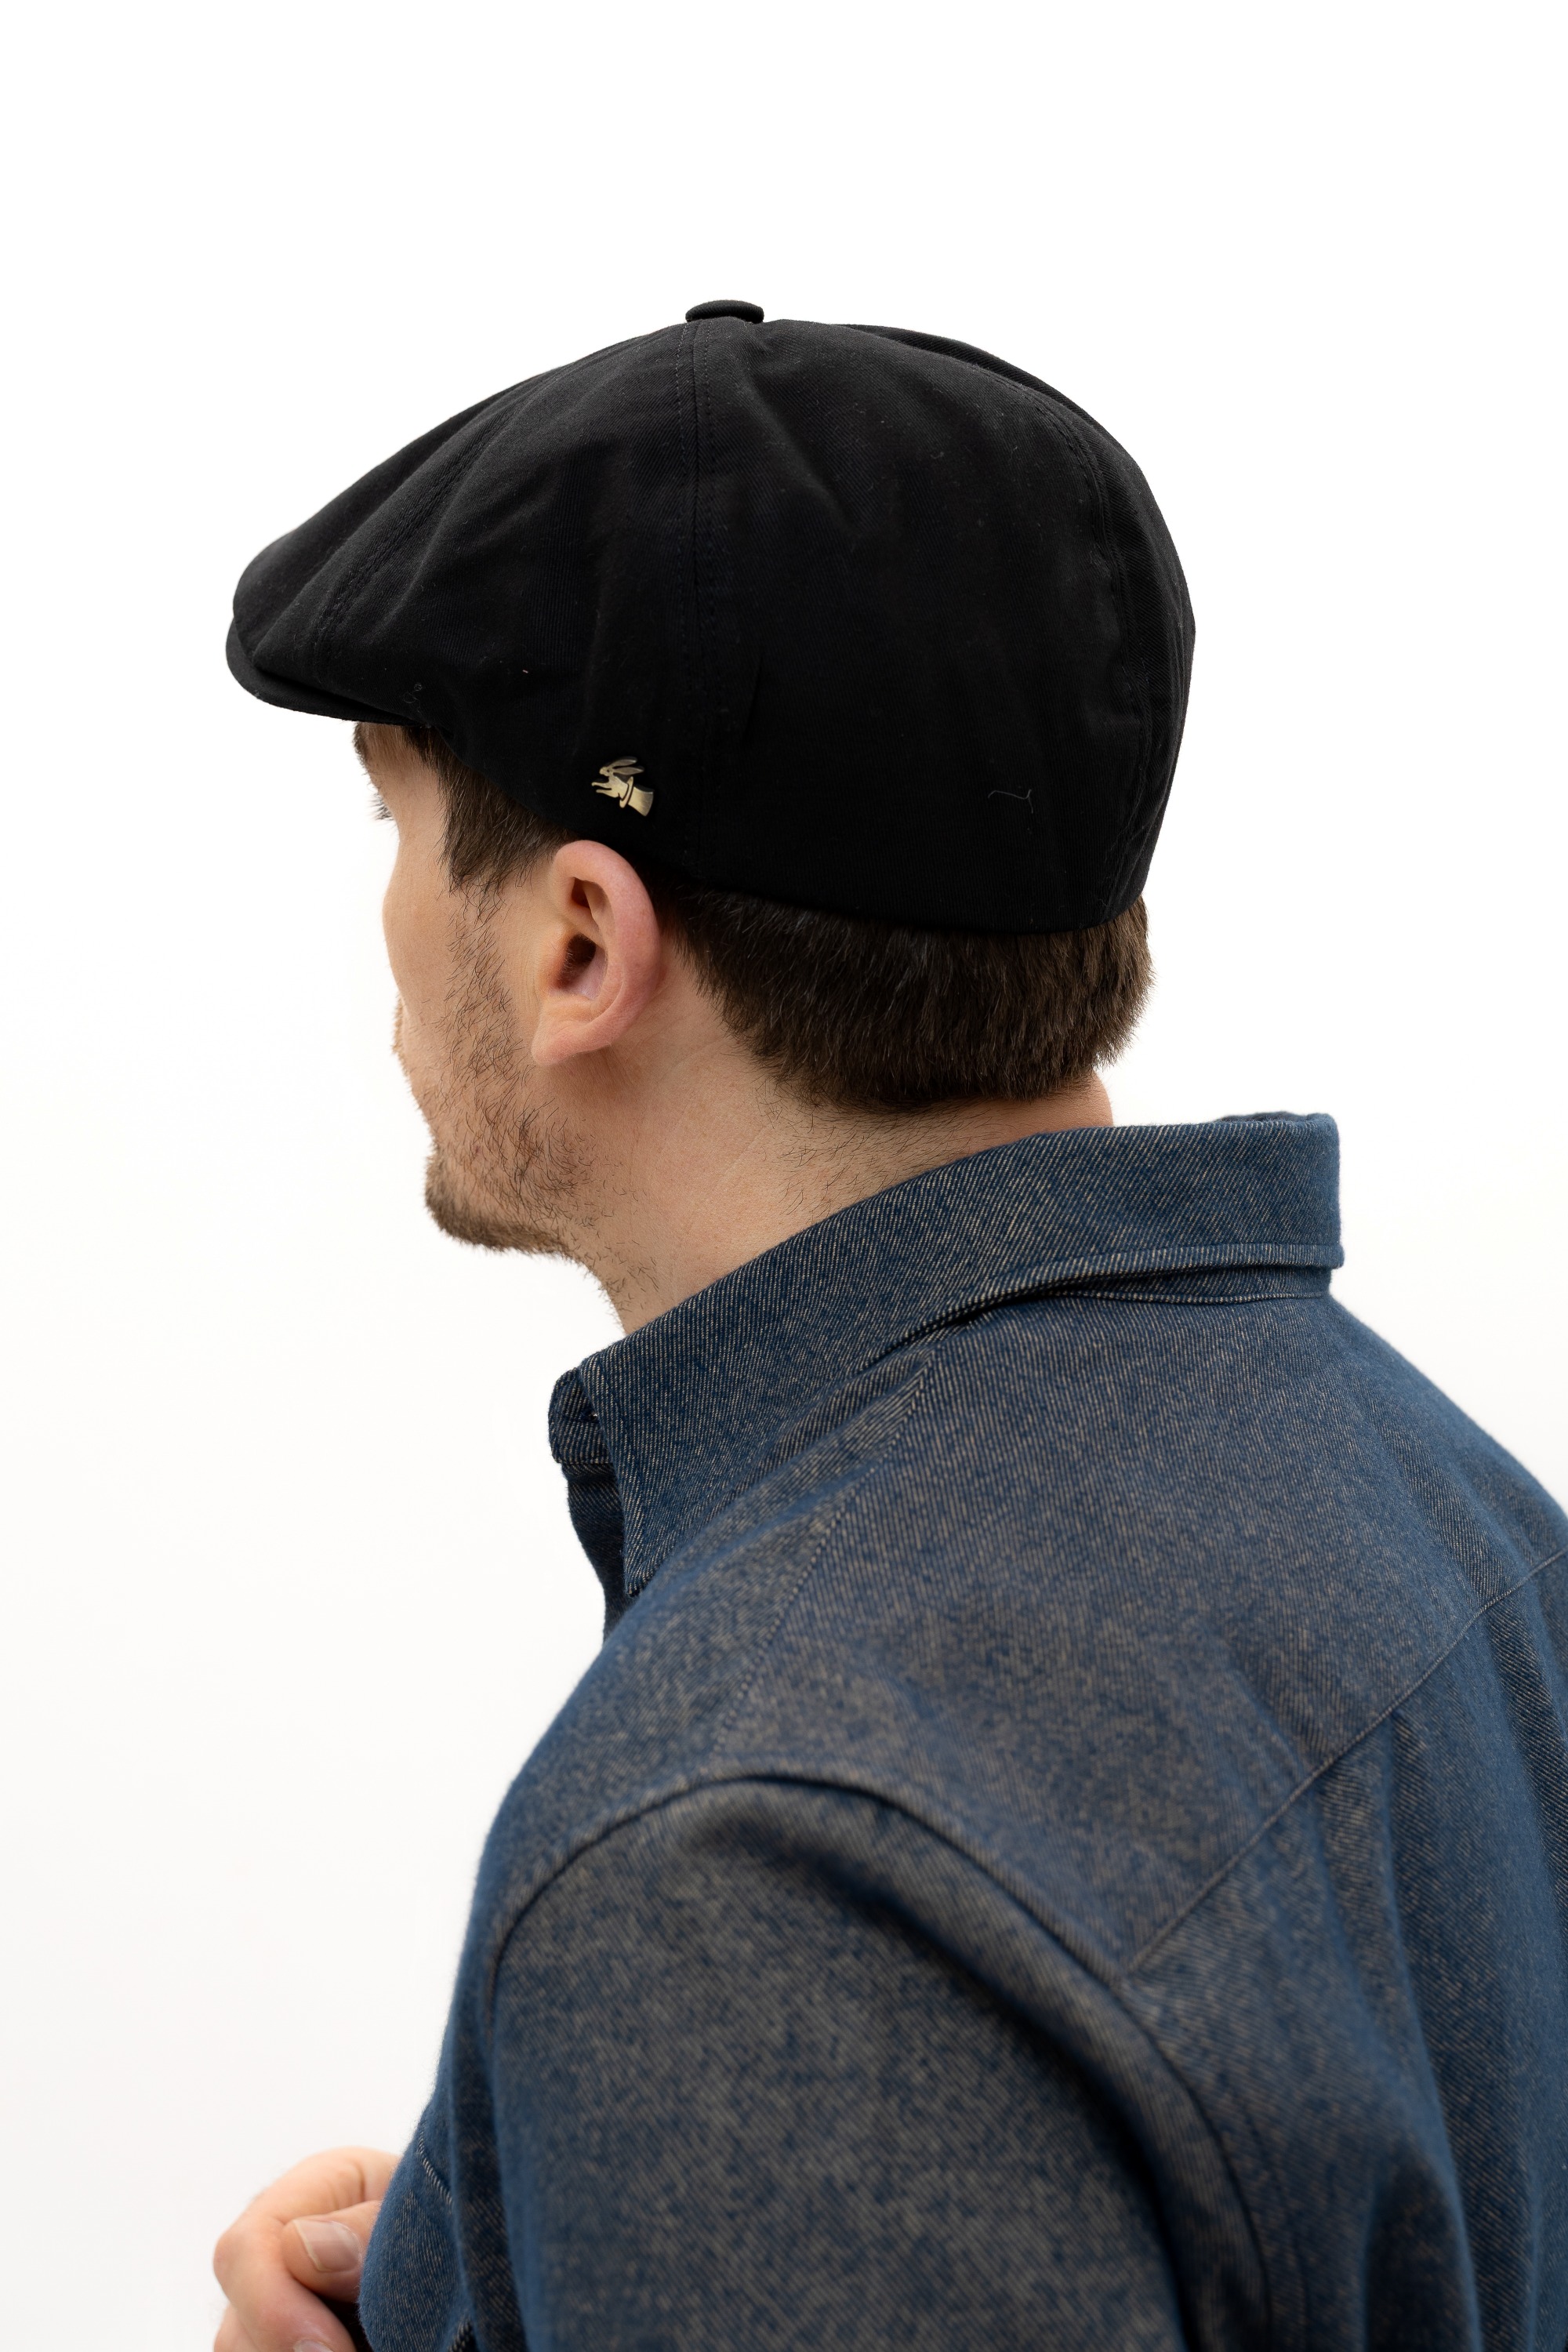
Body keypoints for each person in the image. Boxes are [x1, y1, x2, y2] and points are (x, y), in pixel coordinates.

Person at [213, 303, 1568, 2352]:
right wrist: (613, 2218)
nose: (387, 916)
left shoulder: (750, 1870)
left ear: (581, 940)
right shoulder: (1456, 1516)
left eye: (393, 822)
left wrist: (721, 2091)